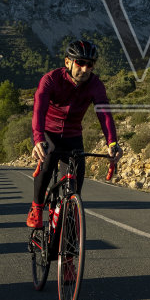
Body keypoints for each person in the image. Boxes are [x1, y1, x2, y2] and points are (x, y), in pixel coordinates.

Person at [26, 38, 120, 227]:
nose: (85, 69)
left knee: (74, 186)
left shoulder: (95, 85)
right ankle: (36, 207)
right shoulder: (51, 79)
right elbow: (39, 111)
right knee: (47, 160)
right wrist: (37, 139)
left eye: (90, 65)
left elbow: (105, 115)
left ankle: (67, 238)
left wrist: (112, 143)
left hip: (73, 136)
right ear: (68, 61)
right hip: (47, 132)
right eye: (80, 63)